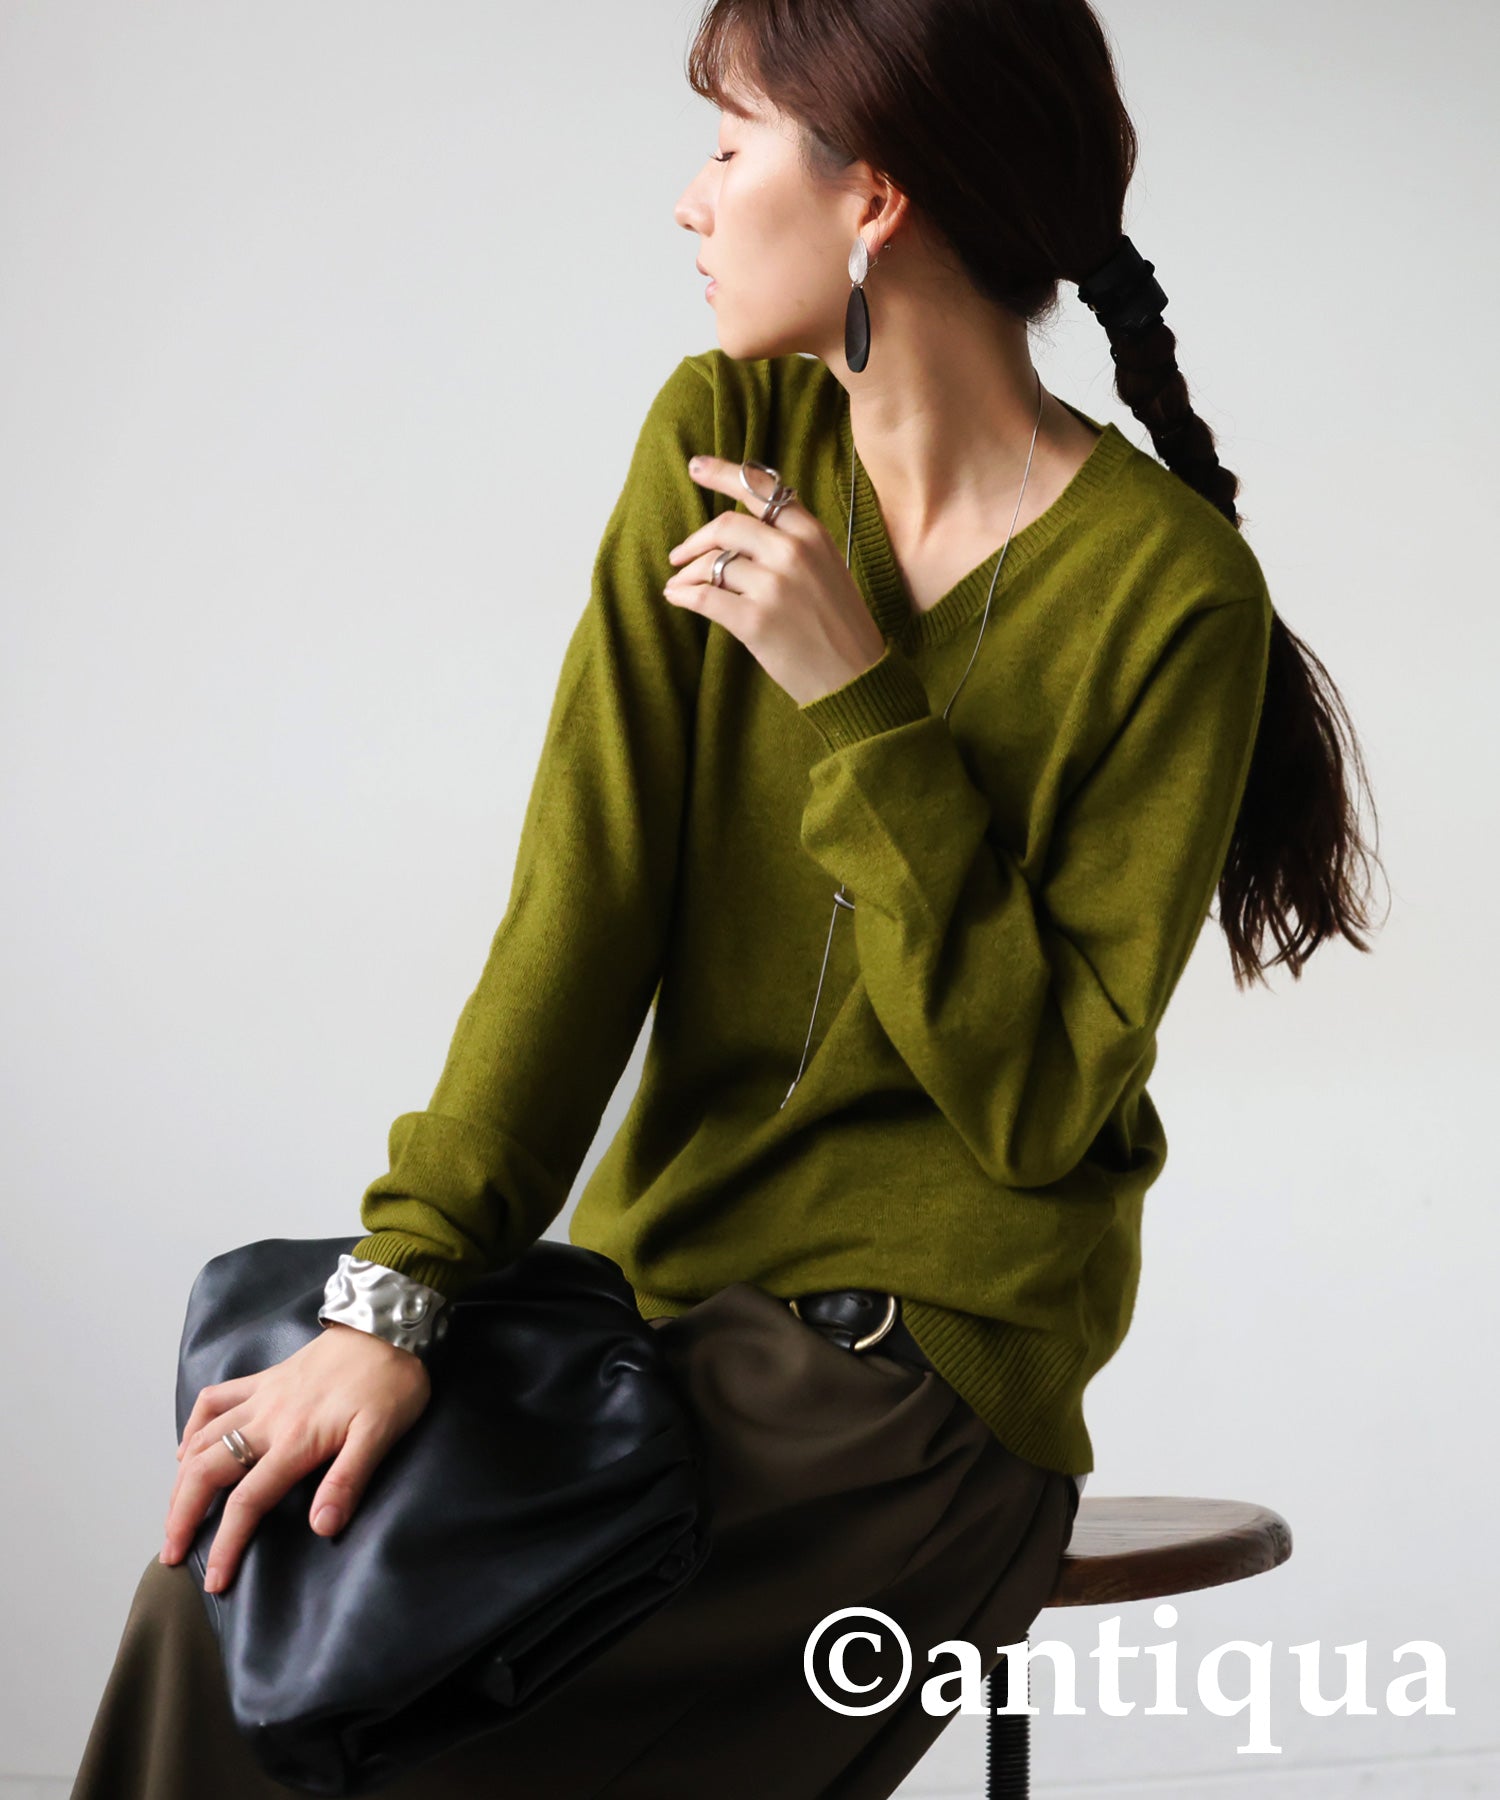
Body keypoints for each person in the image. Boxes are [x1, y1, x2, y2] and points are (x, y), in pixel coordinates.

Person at [71, 1, 1382, 1795]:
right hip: (651, 1324)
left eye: (728, 143)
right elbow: (581, 903)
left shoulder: (1171, 593)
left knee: (382, 1713)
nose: (690, 201)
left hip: (905, 1398)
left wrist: (858, 701)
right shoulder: (719, 434)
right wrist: (399, 1294)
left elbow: (1038, 1103)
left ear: (873, 197)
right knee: (230, 1584)